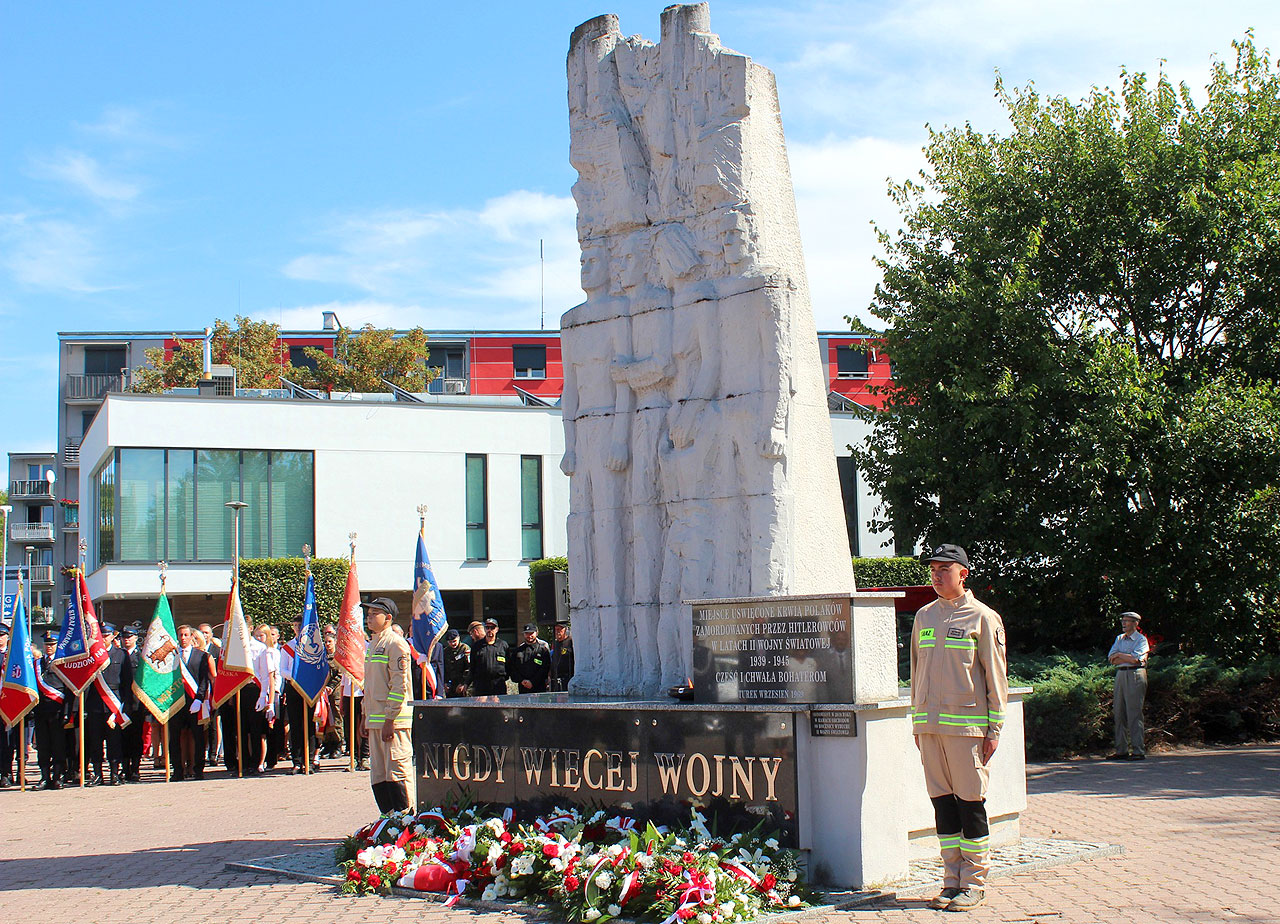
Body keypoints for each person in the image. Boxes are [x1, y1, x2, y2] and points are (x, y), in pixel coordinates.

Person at [910, 544, 1008, 913]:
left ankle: (975, 883)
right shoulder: (924, 616)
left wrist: (994, 727)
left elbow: (996, 678)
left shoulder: (984, 618)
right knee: (943, 808)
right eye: (933, 569)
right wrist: (918, 724)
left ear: (963, 573)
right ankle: (951, 881)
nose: (936, 575)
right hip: (931, 730)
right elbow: (916, 671)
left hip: (967, 730)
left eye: (944, 569)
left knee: (970, 806)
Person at [360, 597, 414, 812]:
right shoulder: (373, 644)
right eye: (368, 614)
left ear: (388, 618)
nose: (369, 618)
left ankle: (408, 823)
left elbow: (399, 685)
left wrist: (390, 719)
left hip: (393, 722)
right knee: (380, 775)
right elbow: (370, 685)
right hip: (376, 720)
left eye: (374, 614)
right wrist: (365, 715)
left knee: (397, 773)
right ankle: (388, 821)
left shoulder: (396, 643)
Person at [83, 622, 131, 785]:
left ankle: (114, 774)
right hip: (95, 704)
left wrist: (125, 706)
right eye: (101, 635)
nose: (104, 638)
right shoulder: (91, 655)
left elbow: (126, 683)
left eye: (106, 635)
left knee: (115, 741)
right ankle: (98, 774)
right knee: (95, 741)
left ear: (113, 636)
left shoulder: (121, 655)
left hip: (114, 703)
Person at [169, 624, 212, 781]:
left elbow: (204, 680)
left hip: (195, 702)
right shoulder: (172, 656)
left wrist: (199, 699)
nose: (183, 638)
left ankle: (198, 769)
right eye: (180, 635)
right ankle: (178, 770)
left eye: (186, 635)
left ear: (191, 637)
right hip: (176, 703)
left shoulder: (201, 656)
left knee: (198, 737)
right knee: (175, 738)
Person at [1107, 611, 1149, 761]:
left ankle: (1138, 751)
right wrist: (1127, 657)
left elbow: (1136, 660)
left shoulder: (1141, 640)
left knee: (1134, 713)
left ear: (1135, 624)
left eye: (1127, 621)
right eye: (1123, 621)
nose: (1124, 624)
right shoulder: (1119, 638)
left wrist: (1122, 656)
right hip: (1121, 674)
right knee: (1119, 712)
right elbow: (1112, 658)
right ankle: (1121, 750)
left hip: (1135, 675)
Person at [33, 633, 69, 790]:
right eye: (47, 644)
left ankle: (58, 776)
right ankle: (44, 776)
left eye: (52, 644)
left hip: (58, 712)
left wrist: (67, 711)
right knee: (43, 745)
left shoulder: (62, 663)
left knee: (58, 745)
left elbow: (68, 690)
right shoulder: (37, 664)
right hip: (41, 712)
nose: (49, 647)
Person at [120, 623, 146, 782]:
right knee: (122, 737)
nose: (126, 640)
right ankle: (125, 769)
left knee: (136, 737)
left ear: (136, 638)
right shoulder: (118, 655)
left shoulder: (142, 656)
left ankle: (135, 769)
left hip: (137, 703)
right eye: (124, 637)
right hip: (121, 702)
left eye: (129, 637)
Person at [469, 618, 510, 695]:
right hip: (481, 686)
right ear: (484, 629)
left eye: (492, 628)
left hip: (498, 685)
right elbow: (472, 667)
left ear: (497, 629)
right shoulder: (476, 646)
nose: (489, 630)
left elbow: (508, 666)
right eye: (487, 627)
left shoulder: (503, 645)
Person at [511, 623, 551, 693]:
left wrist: (533, 682)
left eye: (531, 633)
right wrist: (522, 680)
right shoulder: (518, 651)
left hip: (539, 689)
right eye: (527, 633)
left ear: (537, 633)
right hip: (523, 689)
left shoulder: (543, 650)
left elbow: (545, 669)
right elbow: (513, 669)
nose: (529, 636)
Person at [442, 628, 471, 697]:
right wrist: (445, 683)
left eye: (454, 641)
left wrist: (463, 683)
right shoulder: (446, 651)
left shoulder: (465, 649)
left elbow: (469, 667)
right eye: (450, 642)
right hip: (450, 685)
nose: (453, 644)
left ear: (458, 638)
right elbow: (443, 668)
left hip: (462, 684)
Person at [550, 621, 574, 692]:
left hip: (568, 679)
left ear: (566, 630)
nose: (557, 632)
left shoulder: (571, 642)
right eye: (556, 629)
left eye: (560, 629)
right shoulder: (555, 643)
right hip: (556, 680)